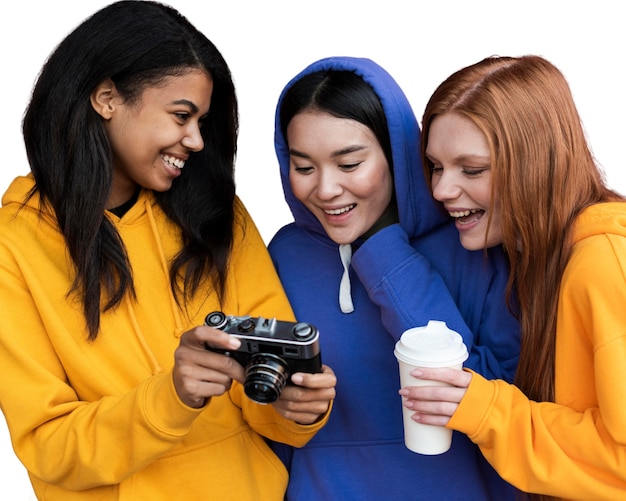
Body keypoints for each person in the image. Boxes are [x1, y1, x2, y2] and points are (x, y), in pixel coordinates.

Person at [0, 2, 336, 499]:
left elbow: (270, 405)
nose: (197, 140)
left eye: (203, 120)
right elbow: (49, 446)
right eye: (181, 115)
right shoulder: (14, 244)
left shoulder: (219, 214)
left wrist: (298, 405)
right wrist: (172, 397)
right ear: (107, 97)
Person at [268, 56, 521, 500]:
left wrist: (385, 254)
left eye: (349, 164)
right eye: (304, 167)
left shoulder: (472, 245)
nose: (324, 189)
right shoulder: (285, 255)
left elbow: (503, 403)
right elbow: (268, 420)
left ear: (398, 156)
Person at [402, 54, 626, 500]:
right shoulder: (537, 261)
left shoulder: (604, 263)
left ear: (536, 163)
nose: (441, 190)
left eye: (472, 169)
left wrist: (488, 411)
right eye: (436, 167)